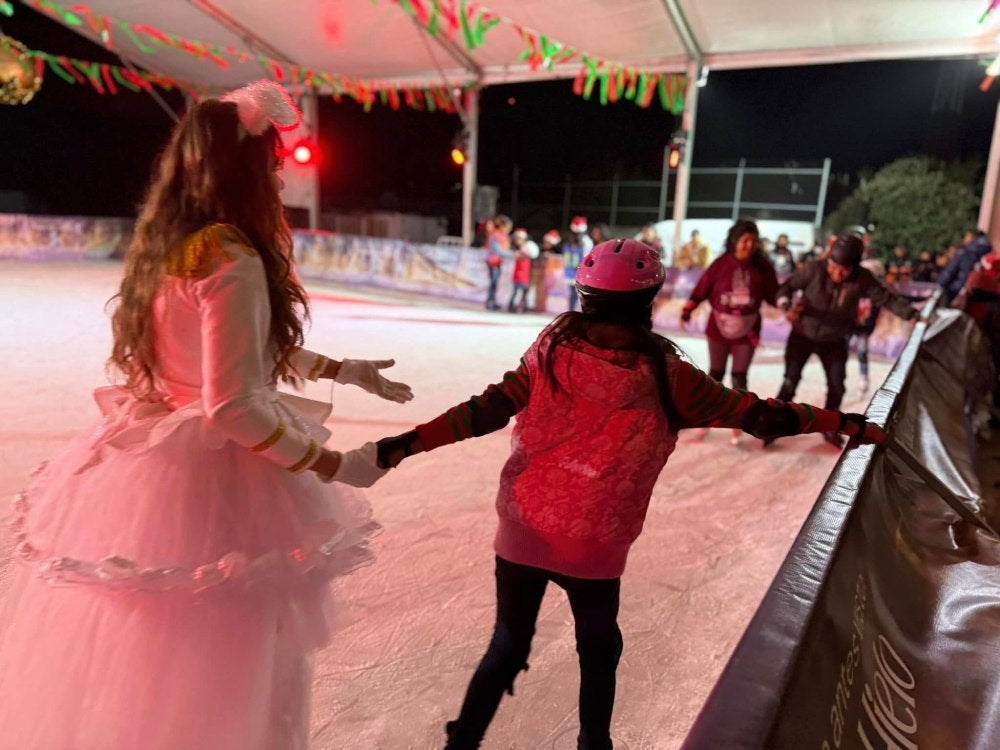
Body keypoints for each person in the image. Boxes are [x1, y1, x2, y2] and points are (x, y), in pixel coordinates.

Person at [0, 82, 413, 749]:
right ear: (247, 169)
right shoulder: (234, 256)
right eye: (273, 162)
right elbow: (232, 405)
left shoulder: (177, 245)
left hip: (155, 476)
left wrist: (341, 369)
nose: (281, 174)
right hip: (224, 489)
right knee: (247, 663)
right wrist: (335, 461)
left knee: (170, 662)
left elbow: (232, 351)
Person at [371, 239, 886, 750]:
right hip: (593, 543)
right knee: (599, 649)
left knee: (507, 644)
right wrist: (841, 422)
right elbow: (761, 416)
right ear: (649, 301)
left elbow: (489, 406)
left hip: (523, 529)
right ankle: (594, 743)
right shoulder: (670, 375)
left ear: (584, 295)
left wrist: (407, 443)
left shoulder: (551, 347)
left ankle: (462, 742)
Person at [769, 233, 919, 448]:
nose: (836, 273)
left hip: (834, 339)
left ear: (854, 267)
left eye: (843, 269)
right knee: (790, 381)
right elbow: (786, 288)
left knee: (837, 386)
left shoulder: (862, 278)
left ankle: (830, 429)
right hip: (802, 334)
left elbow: (886, 298)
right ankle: (774, 425)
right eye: (832, 266)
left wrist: (913, 315)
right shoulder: (814, 269)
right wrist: (786, 307)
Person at [680, 219, 778, 445]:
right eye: (745, 240)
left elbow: (775, 294)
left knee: (739, 376)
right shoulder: (720, 264)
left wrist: (788, 304)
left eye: (753, 241)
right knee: (715, 374)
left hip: (747, 330)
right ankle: (704, 418)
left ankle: (738, 420)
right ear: (734, 241)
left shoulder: (762, 267)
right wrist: (688, 309)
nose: (749, 245)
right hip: (718, 329)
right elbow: (703, 288)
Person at [939, 229, 993, 305]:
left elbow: (949, 272)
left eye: (967, 237)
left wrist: (940, 284)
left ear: (973, 238)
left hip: (958, 292)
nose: (964, 240)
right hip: (982, 296)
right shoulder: (990, 255)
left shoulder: (964, 253)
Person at [563, 215, 592, 312]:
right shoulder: (571, 240)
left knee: (582, 293)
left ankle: (583, 311)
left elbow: (587, 256)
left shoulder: (586, 241)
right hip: (572, 271)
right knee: (573, 293)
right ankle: (571, 311)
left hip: (582, 271)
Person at [484, 215, 512, 311]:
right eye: (507, 227)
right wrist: (512, 254)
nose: (508, 229)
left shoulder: (506, 236)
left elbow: (505, 249)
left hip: (499, 262)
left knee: (495, 283)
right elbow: (497, 250)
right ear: (502, 226)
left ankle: (492, 301)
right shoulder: (495, 235)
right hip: (492, 261)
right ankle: (490, 302)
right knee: (493, 282)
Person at [507, 228, 538, 313]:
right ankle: (512, 306)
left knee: (524, 292)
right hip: (518, 276)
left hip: (524, 276)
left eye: (518, 239)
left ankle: (525, 306)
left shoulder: (525, 252)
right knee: (516, 292)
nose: (517, 241)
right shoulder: (519, 252)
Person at [530, 229, 561, 313]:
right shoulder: (541, 251)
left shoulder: (557, 251)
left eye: (547, 242)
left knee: (546, 292)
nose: (545, 244)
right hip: (541, 273)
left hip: (550, 275)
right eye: (545, 242)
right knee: (538, 290)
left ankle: (543, 307)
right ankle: (537, 306)